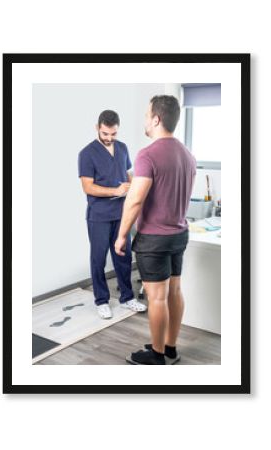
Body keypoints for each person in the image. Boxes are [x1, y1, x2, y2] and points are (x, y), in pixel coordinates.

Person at [115, 96, 196, 364]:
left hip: (154, 239)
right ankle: (170, 347)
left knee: (157, 297)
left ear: (157, 119)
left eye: (147, 114)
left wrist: (122, 235)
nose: (145, 120)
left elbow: (135, 200)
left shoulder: (147, 155)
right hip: (178, 234)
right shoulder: (188, 154)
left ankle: (158, 355)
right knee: (174, 291)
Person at [78, 110, 147, 319]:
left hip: (122, 213)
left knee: (123, 257)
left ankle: (127, 298)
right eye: (105, 133)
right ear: (97, 128)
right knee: (98, 259)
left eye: (113, 134)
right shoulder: (87, 153)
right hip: (98, 215)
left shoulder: (123, 148)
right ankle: (101, 301)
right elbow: (88, 187)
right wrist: (115, 191)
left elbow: (128, 175)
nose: (109, 138)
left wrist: (136, 187)